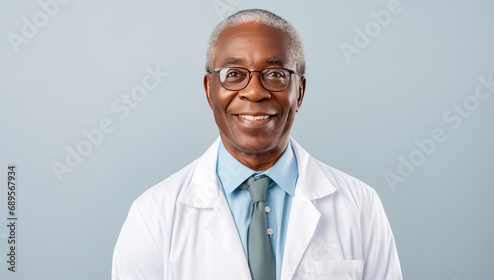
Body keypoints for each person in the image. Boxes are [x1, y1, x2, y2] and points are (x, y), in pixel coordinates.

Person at [112, 8, 402, 280]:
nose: (254, 92)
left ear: (299, 92)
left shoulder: (360, 206)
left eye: (275, 74)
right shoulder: (152, 215)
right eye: (234, 75)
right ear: (209, 91)